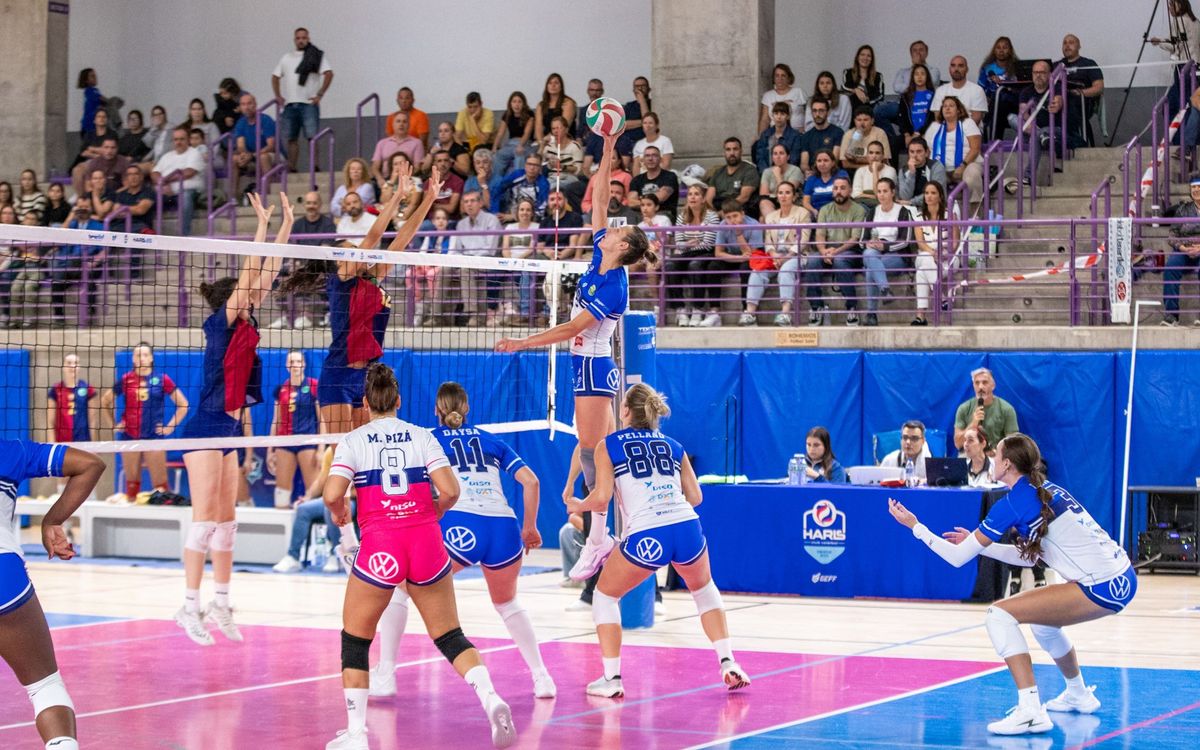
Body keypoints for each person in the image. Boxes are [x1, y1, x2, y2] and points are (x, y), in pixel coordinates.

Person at [887, 433, 1137, 736]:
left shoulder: (1013, 503)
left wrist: (916, 527)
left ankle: (1030, 711)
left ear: (1006, 464)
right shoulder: (1045, 490)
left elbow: (955, 559)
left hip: (1103, 586)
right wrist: (980, 545)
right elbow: (1032, 558)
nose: (992, 458)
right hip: (1122, 577)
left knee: (998, 615)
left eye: (997, 455)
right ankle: (1078, 694)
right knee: (1043, 625)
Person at [322, 364, 516, 750]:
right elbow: (450, 489)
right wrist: (436, 512)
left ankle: (357, 734)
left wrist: (340, 512)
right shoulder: (424, 436)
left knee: (356, 641)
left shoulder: (353, 440)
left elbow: (331, 494)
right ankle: (491, 698)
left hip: (382, 545)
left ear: (365, 403)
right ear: (398, 401)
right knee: (449, 635)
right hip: (426, 540)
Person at [496, 131, 658, 584]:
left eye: (622, 231)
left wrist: (522, 344)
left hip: (592, 366)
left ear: (623, 247)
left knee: (592, 451)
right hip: (587, 367)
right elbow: (600, 202)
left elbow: (571, 329)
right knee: (603, 449)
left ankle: (598, 534)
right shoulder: (601, 255)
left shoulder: (614, 284)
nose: (614, 228)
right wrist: (606, 153)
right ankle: (617, 522)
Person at [368, 381, 555, 701]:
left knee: (400, 587)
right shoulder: (490, 440)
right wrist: (530, 529)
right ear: (467, 409)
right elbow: (531, 481)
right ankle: (542, 678)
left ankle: (386, 674)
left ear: (436, 411)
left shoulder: (428, 439)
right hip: (503, 527)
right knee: (507, 603)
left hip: (462, 524)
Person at [570, 383, 751, 698]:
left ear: (624, 411)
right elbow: (695, 497)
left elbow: (600, 499)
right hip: (686, 526)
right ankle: (727, 661)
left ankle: (612, 679)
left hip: (648, 531)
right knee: (705, 591)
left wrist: (576, 504)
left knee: (605, 596)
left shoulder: (608, 445)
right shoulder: (673, 446)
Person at [172, 192, 293, 646]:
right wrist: (260, 226)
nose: (255, 295)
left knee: (227, 521)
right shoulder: (220, 324)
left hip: (226, 429)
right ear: (231, 301)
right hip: (203, 426)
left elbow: (268, 272)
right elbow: (250, 273)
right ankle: (188, 607)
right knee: (203, 520)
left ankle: (220, 602)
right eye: (246, 296)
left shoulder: (246, 324)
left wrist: (285, 227)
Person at [0, 437, 105, 750]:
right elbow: (91, 464)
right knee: (44, 685)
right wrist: (53, 520)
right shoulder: (11, 450)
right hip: (4, 577)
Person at [102, 342, 189, 501]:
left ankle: (162, 520)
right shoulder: (125, 380)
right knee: (132, 487)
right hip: (129, 437)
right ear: (133, 360)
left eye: (145, 354)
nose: (141, 358)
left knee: (160, 487)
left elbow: (183, 405)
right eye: (137, 355)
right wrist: (113, 425)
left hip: (153, 438)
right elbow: (105, 401)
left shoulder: (162, 379)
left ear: (151, 359)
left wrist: (169, 427)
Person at [271, 27, 333, 171]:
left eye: (303, 38)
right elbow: (275, 76)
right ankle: (292, 167)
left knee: (312, 137)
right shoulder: (287, 57)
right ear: (294, 40)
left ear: (308, 39)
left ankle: (315, 166)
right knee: (291, 138)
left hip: (309, 103)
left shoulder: (316, 55)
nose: (301, 41)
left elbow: (329, 74)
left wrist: (320, 94)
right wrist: (278, 96)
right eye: (298, 38)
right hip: (290, 103)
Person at [806, 175, 864, 325]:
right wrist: (823, 250)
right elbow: (819, 234)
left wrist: (834, 252)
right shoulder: (825, 210)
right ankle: (816, 307)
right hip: (828, 251)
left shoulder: (859, 210)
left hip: (851, 252)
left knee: (840, 260)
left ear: (850, 190)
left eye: (843, 188)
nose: (839, 191)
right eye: (836, 188)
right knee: (812, 260)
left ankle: (851, 307)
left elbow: (855, 239)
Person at [267, 351, 321, 509]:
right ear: (286, 366)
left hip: (308, 442)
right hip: (285, 442)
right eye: (291, 362)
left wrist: (321, 448)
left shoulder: (314, 386)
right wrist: (271, 449)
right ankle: (284, 530)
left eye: (298, 361)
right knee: (281, 493)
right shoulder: (281, 389)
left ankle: (316, 529)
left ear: (304, 364)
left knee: (314, 491)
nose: (295, 365)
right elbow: (275, 421)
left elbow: (322, 419)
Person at [858, 178, 914, 326]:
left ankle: (871, 314)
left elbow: (906, 241)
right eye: (879, 191)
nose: (881, 195)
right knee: (869, 254)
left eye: (885, 191)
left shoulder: (903, 212)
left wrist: (886, 247)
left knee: (871, 270)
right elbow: (862, 240)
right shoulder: (871, 213)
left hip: (896, 254)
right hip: (874, 252)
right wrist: (869, 243)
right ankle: (885, 289)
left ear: (893, 192)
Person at [446, 189, 504, 326]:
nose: (469, 205)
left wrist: (469, 259)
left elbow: (491, 249)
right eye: (466, 202)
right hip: (466, 262)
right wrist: (464, 259)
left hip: (487, 263)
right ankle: (437, 316)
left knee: (466, 270)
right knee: (444, 270)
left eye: (472, 201)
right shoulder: (461, 224)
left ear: (481, 203)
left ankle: (473, 315)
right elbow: (457, 250)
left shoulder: (492, 220)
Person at [756, 181, 810, 326]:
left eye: (787, 192)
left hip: (795, 256)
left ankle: (785, 314)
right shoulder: (770, 217)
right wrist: (774, 255)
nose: (783, 196)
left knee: (785, 271)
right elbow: (768, 241)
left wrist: (785, 258)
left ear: (794, 196)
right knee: (757, 271)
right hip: (775, 257)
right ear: (777, 196)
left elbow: (803, 241)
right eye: (780, 193)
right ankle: (749, 313)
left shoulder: (803, 213)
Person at [669, 184, 720, 326]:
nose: (692, 196)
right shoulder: (682, 217)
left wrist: (688, 244)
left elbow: (708, 244)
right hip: (687, 253)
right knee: (670, 264)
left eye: (697, 194)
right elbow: (678, 243)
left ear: (703, 199)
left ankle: (698, 309)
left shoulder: (712, 217)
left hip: (706, 253)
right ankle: (681, 310)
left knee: (695, 264)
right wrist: (691, 243)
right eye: (690, 194)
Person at [911, 180, 956, 326]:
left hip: (947, 259)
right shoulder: (918, 217)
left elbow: (956, 241)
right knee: (925, 257)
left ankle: (920, 317)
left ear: (940, 196)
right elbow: (920, 243)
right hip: (926, 255)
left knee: (921, 272)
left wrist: (947, 252)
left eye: (933, 193)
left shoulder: (950, 215)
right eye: (926, 193)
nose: (929, 196)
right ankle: (942, 298)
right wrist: (932, 252)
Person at [1013, 61, 1063, 187]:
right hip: (1033, 127)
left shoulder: (1056, 88)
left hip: (1053, 128)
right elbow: (1023, 112)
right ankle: (1039, 136)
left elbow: (1058, 101)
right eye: (1035, 72)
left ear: (1050, 74)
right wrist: (1032, 126)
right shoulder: (1026, 91)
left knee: (1037, 135)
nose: (1038, 75)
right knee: (1012, 118)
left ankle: (1028, 176)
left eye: (1042, 72)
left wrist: (1056, 104)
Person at [925, 97, 983, 201]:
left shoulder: (968, 123)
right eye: (945, 106)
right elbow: (926, 149)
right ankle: (941, 213)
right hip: (941, 168)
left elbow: (975, 148)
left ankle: (975, 214)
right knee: (932, 181)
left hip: (967, 165)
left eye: (951, 106)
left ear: (958, 110)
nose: (947, 108)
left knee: (972, 175)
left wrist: (962, 166)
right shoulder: (935, 126)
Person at [151, 127, 205, 236]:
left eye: (182, 139)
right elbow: (154, 173)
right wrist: (162, 183)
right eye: (176, 139)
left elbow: (189, 172)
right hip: (167, 192)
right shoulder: (167, 156)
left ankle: (183, 236)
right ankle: (151, 236)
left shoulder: (194, 153)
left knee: (185, 197)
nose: (178, 142)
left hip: (189, 191)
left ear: (188, 140)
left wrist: (165, 181)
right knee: (147, 198)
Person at [1163, 177, 1200, 326]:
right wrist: (1182, 248)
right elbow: (1172, 235)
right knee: (1171, 268)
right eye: (1193, 188)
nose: (1196, 190)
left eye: (1199, 187)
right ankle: (1172, 316)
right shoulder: (1183, 209)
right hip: (1184, 249)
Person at [954, 367, 1020, 451]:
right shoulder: (964, 408)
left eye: (985, 382)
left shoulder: (1006, 409)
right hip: (969, 455)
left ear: (993, 386)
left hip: (995, 456)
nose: (980, 387)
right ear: (973, 386)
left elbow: (1013, 445)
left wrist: (997, 454)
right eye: (977, 383)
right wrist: (973, 424)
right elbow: (958, 444)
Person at [1057, 35, 1105, 147]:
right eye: (1065, 43)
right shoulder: (1057, 66)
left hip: (1081, 102)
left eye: (1071, 42)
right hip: (1058, 101)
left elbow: (1099, 87)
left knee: (1071, 102)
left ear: (1079, 46)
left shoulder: (1088, 64)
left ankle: (1076, 142)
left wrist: (1081, 93)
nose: (1067, 45)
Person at [501, 198, 541, 323]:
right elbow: (505, 248)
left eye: (528, 210)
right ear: (517, 212)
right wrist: (510, 261)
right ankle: (502, 311)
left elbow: (531, 249)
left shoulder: (537, 227)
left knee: (525, 272)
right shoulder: (509, 227)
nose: (525, 212)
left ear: (532, 213)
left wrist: (517, 260)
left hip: (527, 261)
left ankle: (525, 312)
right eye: (522, 209)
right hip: (510, 262)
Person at [231, 93, 277, 192]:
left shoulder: (265, 120)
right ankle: (233, 198)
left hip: (272, 155)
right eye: (243, 104)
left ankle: (266, 196)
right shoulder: (241, 122)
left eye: (249, 103)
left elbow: (271, 146)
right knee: (234, 159)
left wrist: (252, 155)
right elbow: (240, 145)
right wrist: (244, 155)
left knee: (263, 157)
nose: (246, 107)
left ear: (255, 105)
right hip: (252, 157)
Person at [47, 354, 97, 445]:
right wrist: (51, 445)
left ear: (79, 367)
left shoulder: (88, 389)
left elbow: (92, 419)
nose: (72, 366)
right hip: (62, 441)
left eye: (76, 363)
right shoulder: (55, 390)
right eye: (69, 363)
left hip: (83, 440)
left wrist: (93, 444)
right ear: (63, 367)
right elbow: (50, 422)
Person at [978, 36, 1021, 139]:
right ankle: (993, 142)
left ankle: (994, 141)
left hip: (1012, 105)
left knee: (1002, 98)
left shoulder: (1017, 67)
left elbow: (1023, 90)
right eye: (998, 47)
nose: (1001, 50)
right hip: (991, 105)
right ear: (994, 50)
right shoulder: (987, 68)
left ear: (1010, 50)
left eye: (1005, 47)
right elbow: (981, 90)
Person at [705, 137, 759, 212]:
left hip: (740, 210)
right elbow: (708, 199)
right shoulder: (718, 172)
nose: (732, 153)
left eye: (735, 149)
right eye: (728, 149)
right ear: (724, 153)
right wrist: (714, 215)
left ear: (741, 151)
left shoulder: (749, 170)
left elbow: (744, 197)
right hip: (718, 208)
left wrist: (725, 212)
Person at [627, 146, 680, 222]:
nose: (650, 159)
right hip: (641, 215)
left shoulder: (670, 176)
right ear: (643, 160)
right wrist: (650, 201)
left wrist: (641, 199)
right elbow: (631, 202)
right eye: (647, 156)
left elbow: (661, 197)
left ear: (660, 159)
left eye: (654, 155)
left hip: (663, 214)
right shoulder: (637, 180)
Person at [371, 112, 425, 186]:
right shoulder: (382, 143)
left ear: (409, 125)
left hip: (407, 180)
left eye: (404, 122)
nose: (401, 124)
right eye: (398, 121)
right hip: (385, 179)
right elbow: (375, 166)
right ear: (393, 124)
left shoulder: (417, 143)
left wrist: (405, 179)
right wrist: (379, 179)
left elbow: (417, 167)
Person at [932, 56, 989, 125]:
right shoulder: (940, 91)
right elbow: (938, 118)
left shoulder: (977, 90)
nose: (956, 69)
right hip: (945, 131)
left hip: (970, 132)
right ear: (949, 69)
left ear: (967, 69)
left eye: (960, 66)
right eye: (953, 66)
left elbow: (976, 119)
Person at [897, 136, 947, 213]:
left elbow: (936, 193)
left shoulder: (936, 167)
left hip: (932, 208)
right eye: (912, 152)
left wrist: (912, 202)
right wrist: (912, 173)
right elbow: (905, 197)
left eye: (919, 151)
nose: (915, 155)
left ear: (926, 153)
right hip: (911, 209)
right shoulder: (903, 170)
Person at [492, 91, 535, 178]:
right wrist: (495, 147)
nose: (517, 104)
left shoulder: (529, 114)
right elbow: (500, 133)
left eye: (519, 102)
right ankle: (497, 182)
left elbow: (527, 133)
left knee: (519, 154)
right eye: (514, 101)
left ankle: (518, 182)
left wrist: (520, 145)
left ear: (524, 103)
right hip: (510, 144)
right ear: (510, 103)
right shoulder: (507, 114)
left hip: (525, 144)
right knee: (498, 156)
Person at [798, 98, 844, 177]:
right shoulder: (806, 136)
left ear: (828, 112)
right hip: (813, 175)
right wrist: (808, 171)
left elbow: (835, 160)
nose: (817, 114)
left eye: (821, 110)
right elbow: (804, 163)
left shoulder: (838, 132)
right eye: (814, 111)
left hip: (832, 174)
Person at [753, 102, 803, 173]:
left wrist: (781, 173)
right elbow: (760, 158)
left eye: (782, 114)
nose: (779, 117)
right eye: (776, 113)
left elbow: (794, 159)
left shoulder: (795, 136)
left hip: (788, 174)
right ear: (772, 115)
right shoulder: (765, 135)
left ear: (788, 116)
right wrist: (767, 173)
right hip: (767, 174)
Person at [758, 143, 804, 219]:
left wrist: (778, 176)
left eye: (781, 153)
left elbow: (787, 192)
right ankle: (776, 227)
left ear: (788, 157)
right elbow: (764, 195)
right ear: (772, 157)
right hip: (772, 203)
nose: (778, 157)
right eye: (775, 154)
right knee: (764, 202)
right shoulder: (767, 172)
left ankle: (777, 224)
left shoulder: (795, 170)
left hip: (791, 202)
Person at [758, 63, 807, 132]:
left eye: (783, 75)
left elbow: (809, 113)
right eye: (777, 76)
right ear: (773, 78)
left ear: (789, 78)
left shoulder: (799, 92)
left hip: (799, 134)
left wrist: (806, 129)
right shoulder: (768, 96)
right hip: (776, 136)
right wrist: (761, 137)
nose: (780, 79)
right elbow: (765, 120)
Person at [839, 106, 891, 172]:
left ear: (872, 121)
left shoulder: (880, 133)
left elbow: (883, 160)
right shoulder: (849, 134)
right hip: (854, 171)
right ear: (854, 121)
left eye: (866, 120)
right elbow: (845, 164)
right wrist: (866, 166)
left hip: (878, 170)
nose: (862, 123)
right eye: (859, 120)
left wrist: (857, 160)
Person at [898, 64, 937, 146]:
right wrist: (907, 135)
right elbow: (901, 117)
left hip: (926, 132)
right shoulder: (905, 96)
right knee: (894, 142)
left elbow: (933, 118)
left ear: (927, 77)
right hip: (910, 133)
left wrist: (920, 133)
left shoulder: (934, 96)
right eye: (916, 74)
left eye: (922, 74)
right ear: (913, 77)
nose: (919, 77)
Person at [533, 72, 578, 142]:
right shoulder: (541, 105)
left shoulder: (568, 103)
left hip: (564, 140)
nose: (553, 85)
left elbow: (564, 126)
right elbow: (538, 128)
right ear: (547, 86)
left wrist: (549, 139)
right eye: (550, 83)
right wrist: (541, 142)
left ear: (561, 87)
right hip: (545, 140)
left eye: (556, 83)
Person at [850, 141, 897, 206]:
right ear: (867, 156)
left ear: (882, 156)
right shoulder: (860, 171)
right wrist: (874, 197)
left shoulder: (890, 171)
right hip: (863, 205)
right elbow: (855, 195)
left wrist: (875, 170)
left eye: (877, 153)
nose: (874, 156)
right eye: (871, 153)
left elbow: (882, 195)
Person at [843, 45, 885, 109]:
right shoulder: (848, 73)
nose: (865, 58)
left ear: (872, 59)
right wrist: (856, 90)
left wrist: (867, 99)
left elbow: (880, 96)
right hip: (852, 108)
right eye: (862, 55)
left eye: (869, 56)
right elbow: (844, 87)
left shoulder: (878, 76)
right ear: (857, 57)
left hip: (870, 108)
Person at [78, 67, 106, 136]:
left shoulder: (96, 90)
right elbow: (102, 99)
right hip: (88, 126)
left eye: (95, 75)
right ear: (86, 80)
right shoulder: (89, 91)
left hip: (95, 125)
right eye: (92, 76)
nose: (95, 77)